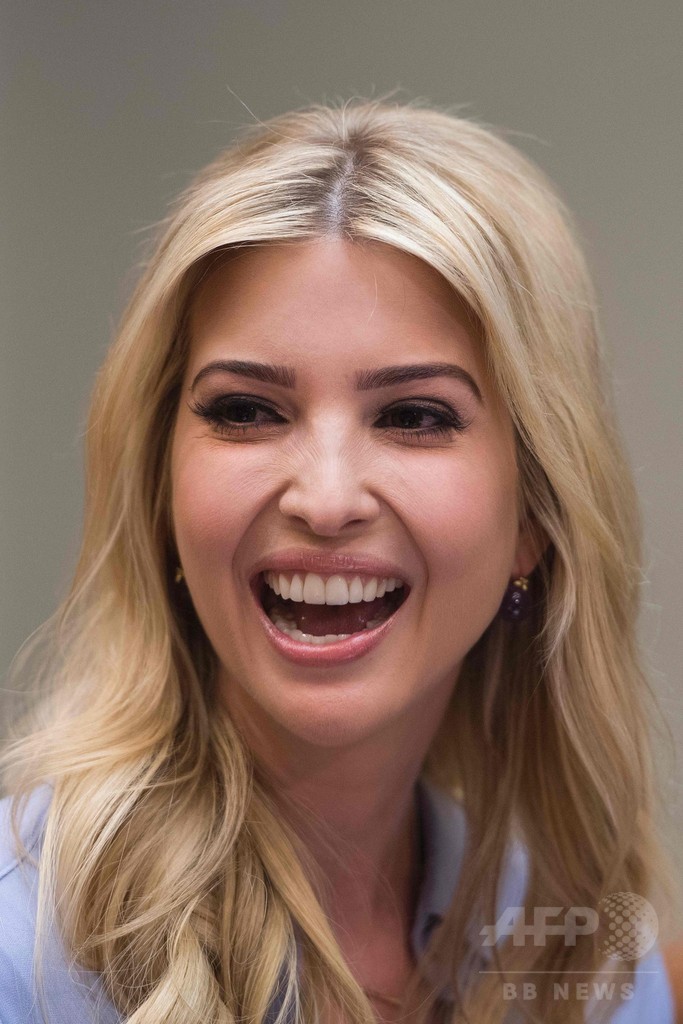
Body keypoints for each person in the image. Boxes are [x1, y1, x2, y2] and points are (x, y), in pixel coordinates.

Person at [0, 100, 678, 1024]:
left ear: (534, 512)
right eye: (245, 411)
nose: (323, 501)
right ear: (161, 490)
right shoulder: (22, 945)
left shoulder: (586, 959)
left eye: (413, 416)